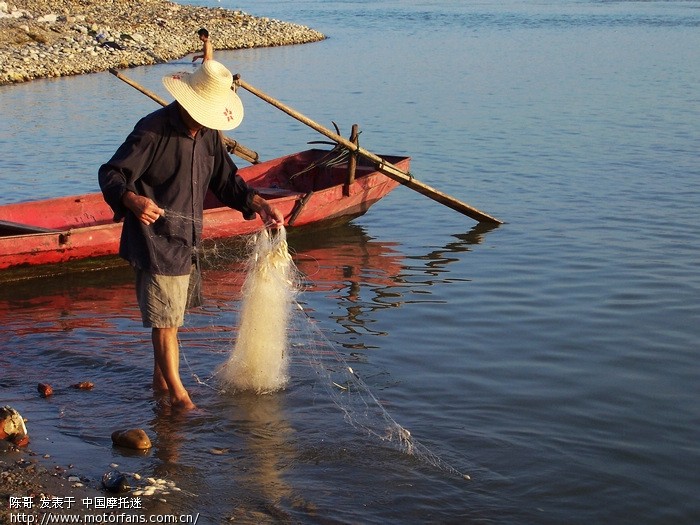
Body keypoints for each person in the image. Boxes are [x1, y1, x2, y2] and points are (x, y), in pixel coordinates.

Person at [99, 60, 284, 411]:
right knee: (166, 324)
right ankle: (182, 401)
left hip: (187, 244)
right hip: (154, 241)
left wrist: (259, 203)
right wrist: (131, 199)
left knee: (172, 320)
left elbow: (226, 182)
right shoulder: (152, 131)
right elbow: (111, 173)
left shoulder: (209, 133)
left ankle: (160, 391)